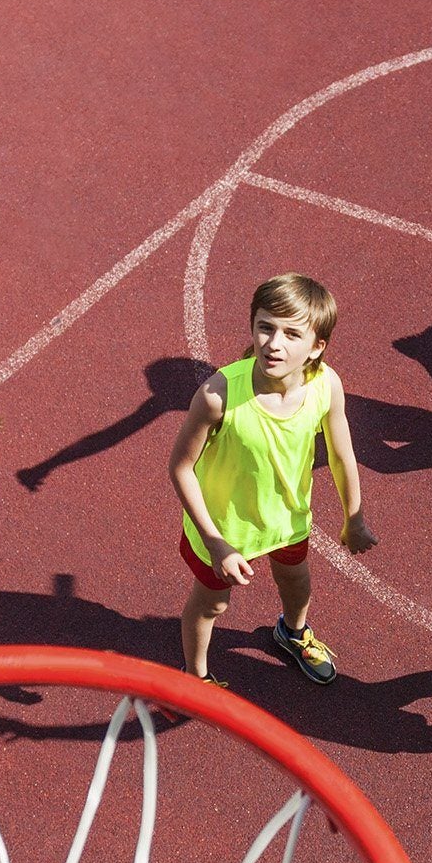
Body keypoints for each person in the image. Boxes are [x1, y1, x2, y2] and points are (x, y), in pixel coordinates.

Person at [169, 274, 375, 686]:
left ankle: (293, 633)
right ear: (253, 326)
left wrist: (354, 517)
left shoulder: (326, 386)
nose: (273, 343)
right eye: (266, 327)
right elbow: (180, 467)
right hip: (223, 529)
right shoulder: (218, 395)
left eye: (291, 334)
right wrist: (215, 542)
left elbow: (340, 454)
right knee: (211, 606)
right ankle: (195, 679)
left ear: (317, 346)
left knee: (296, 581)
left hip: (288, 520)